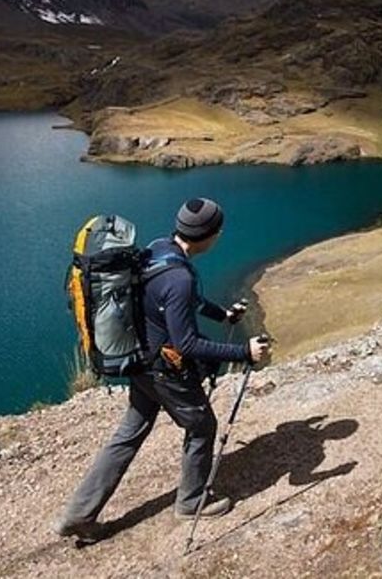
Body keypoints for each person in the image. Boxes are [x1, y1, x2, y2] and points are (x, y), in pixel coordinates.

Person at [54, 197, 271, 541]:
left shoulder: (159, 249)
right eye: (218, 231)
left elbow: (181, 303)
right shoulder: (180, 278)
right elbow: (186, 344)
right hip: (164, 370)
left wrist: (223, 315)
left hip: (139, 362)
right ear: (208, 235)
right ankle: (190, 501)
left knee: (130, 432)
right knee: (202, 427)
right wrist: (243, 351)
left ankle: (79, 514)